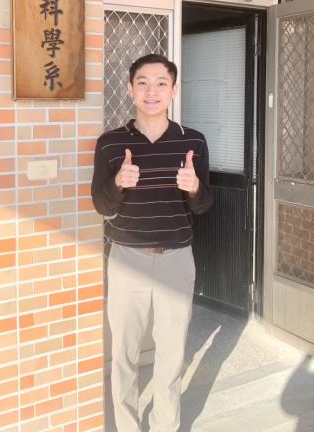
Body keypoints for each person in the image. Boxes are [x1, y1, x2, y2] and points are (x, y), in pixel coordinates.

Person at [91, 53, 214, 432]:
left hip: (177, 259)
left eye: (161, 83)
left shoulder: (193, 141)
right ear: (130, 89)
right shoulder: (110, 143)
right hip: (127, 259)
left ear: (173, 90)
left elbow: (204, 205)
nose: (152, 91)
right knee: (124, 355)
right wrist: (118, 183)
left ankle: (166, 426)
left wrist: (195, 188)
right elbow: (101, 205)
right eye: (142, 83)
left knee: (171, 354)